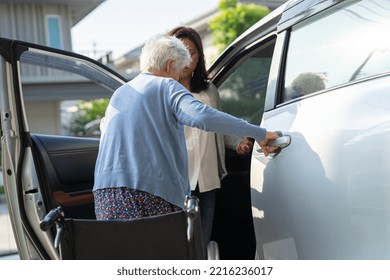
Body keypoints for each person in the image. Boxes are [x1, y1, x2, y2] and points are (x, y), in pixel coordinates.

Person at [93, 34, 279, 222]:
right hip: (149, 195)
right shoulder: (166, 85)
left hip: (105, 195)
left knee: (122, 251)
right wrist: (259, 133)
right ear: (169, 65)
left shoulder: (121, 92)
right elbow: (203, 116)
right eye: (179, 71)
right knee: (171, 251)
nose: (179, 78)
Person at [167, 26, 254, 247]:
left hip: (207, 180)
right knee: (176, 244)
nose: (186, 58)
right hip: (176, 179)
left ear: (199, 56)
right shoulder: (161, 90)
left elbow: (217, 124)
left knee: (202, 241)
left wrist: (237, 142)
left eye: (192, 52)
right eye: (180, 51)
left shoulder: (209, 90)